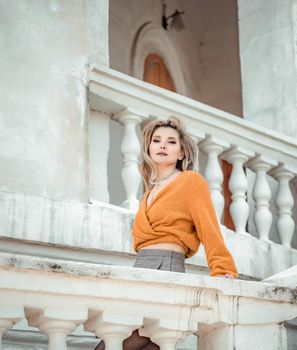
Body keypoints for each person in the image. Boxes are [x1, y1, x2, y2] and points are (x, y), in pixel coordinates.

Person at [95, 116, 237, 350]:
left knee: (115, 344)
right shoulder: (147, 193)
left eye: (171, 142)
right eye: (156, 140)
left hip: (167, 267)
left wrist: (223, 269)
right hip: (140, 270)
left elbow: (208, 226)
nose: (162, 145)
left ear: (181, 153)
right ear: (149, 149)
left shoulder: (191, 181)